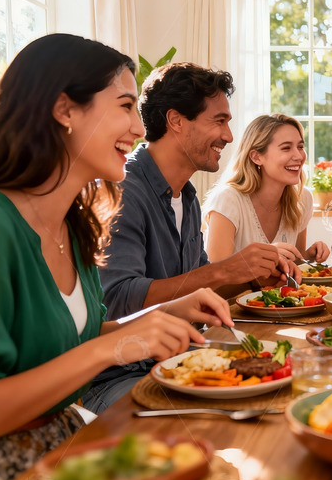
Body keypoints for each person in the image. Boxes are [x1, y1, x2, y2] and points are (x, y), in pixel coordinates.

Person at [0, 34, 233, 480]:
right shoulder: (3, 228)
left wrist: (162, 313)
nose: (141, 129)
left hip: (65, 438)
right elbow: (90, 351)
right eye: (124, 106)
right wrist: (108, 348)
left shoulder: (77, 225)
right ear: (65, 110)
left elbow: (73, 336)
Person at [86, 62, 297, 413]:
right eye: (219, 120)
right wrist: (222, 271)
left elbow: (199, 291)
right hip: (122, 376)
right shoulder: (123, 192)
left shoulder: (186, 195)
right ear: (177, 121)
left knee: (282, 392)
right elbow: (118, 299)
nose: (229, 137)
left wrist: (249, 277)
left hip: (180, 359)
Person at [203, 113, 329, 264]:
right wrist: (264, 257)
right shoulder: (228, 200)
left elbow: (294, 262)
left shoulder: (302, 198)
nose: (299, 156)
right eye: (286, 148)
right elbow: (216, 274)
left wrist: (308, 255)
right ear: (256, 157)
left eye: (300, 147)